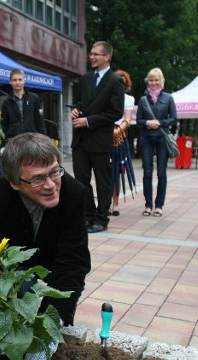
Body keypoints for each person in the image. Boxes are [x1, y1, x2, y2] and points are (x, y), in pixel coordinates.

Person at [0, 132, 90, 327]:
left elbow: (73, 262)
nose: (51, 185)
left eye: (54, 172)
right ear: (14, 182)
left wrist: (54, 320)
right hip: (10, 261)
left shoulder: (74, 193)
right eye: (38, 179)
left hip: (50, 258)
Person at [71, 41, 125, 233]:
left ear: (107, 57)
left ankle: (102, 218)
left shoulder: (115, 81)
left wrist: (88, 121)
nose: (92, 57)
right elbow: (78, 102)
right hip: (80, 139)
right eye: (91, 53)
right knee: (81, 180)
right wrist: (76, 112)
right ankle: (88, 215)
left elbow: (116, 112)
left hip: (100, 139)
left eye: (96, 54)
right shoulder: (85, 79)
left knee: (102, 181)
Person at [136, 67, 177, 217]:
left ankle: (159, 205)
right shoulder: (143, 100)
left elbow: (174, 118)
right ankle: (148, 205)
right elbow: (138, 120)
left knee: (161, 173)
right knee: (147, 172)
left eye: (156, 80)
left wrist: (160, 122)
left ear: (161, 81)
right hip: (147, 138)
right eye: (151, 80)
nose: (153, 82)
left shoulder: (168, 98)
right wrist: (147, 122)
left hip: (162, 138)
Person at [110, 70, 136, 216]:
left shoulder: (128, 99)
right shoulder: (106, 96)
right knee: (104, 172)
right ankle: (104, 203)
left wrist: (117, 131)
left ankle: (115, 204)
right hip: (103, 134)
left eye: (123, 82)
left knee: (117, 172)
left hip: (119, 136)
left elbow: (128, 119)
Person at [0, 68, 46, 143]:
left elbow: (40, 121)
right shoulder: (6, 103)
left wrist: (43, 140)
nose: (17, 82)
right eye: (14, 80)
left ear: (24, 81)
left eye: (20, 79)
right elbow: (4, 126)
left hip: (32, 141)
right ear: (10, 82)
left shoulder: (34, 98)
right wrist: (4, 145)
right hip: (13, 142)